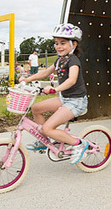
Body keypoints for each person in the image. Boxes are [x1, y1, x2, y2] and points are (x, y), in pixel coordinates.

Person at [19, 24, 90, 164]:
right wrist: (27, 79)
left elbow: (72, 80)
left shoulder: (73, 61)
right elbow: (45, 73)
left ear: (73, 44)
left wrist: (54, 89)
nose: (59, 46)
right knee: (36, 108)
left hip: (76, 101)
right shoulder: (59, 60)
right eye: (56, 43)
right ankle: (43, 140)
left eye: (63, 43)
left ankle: (79, 144)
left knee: (47, 128)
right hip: (65, 98)